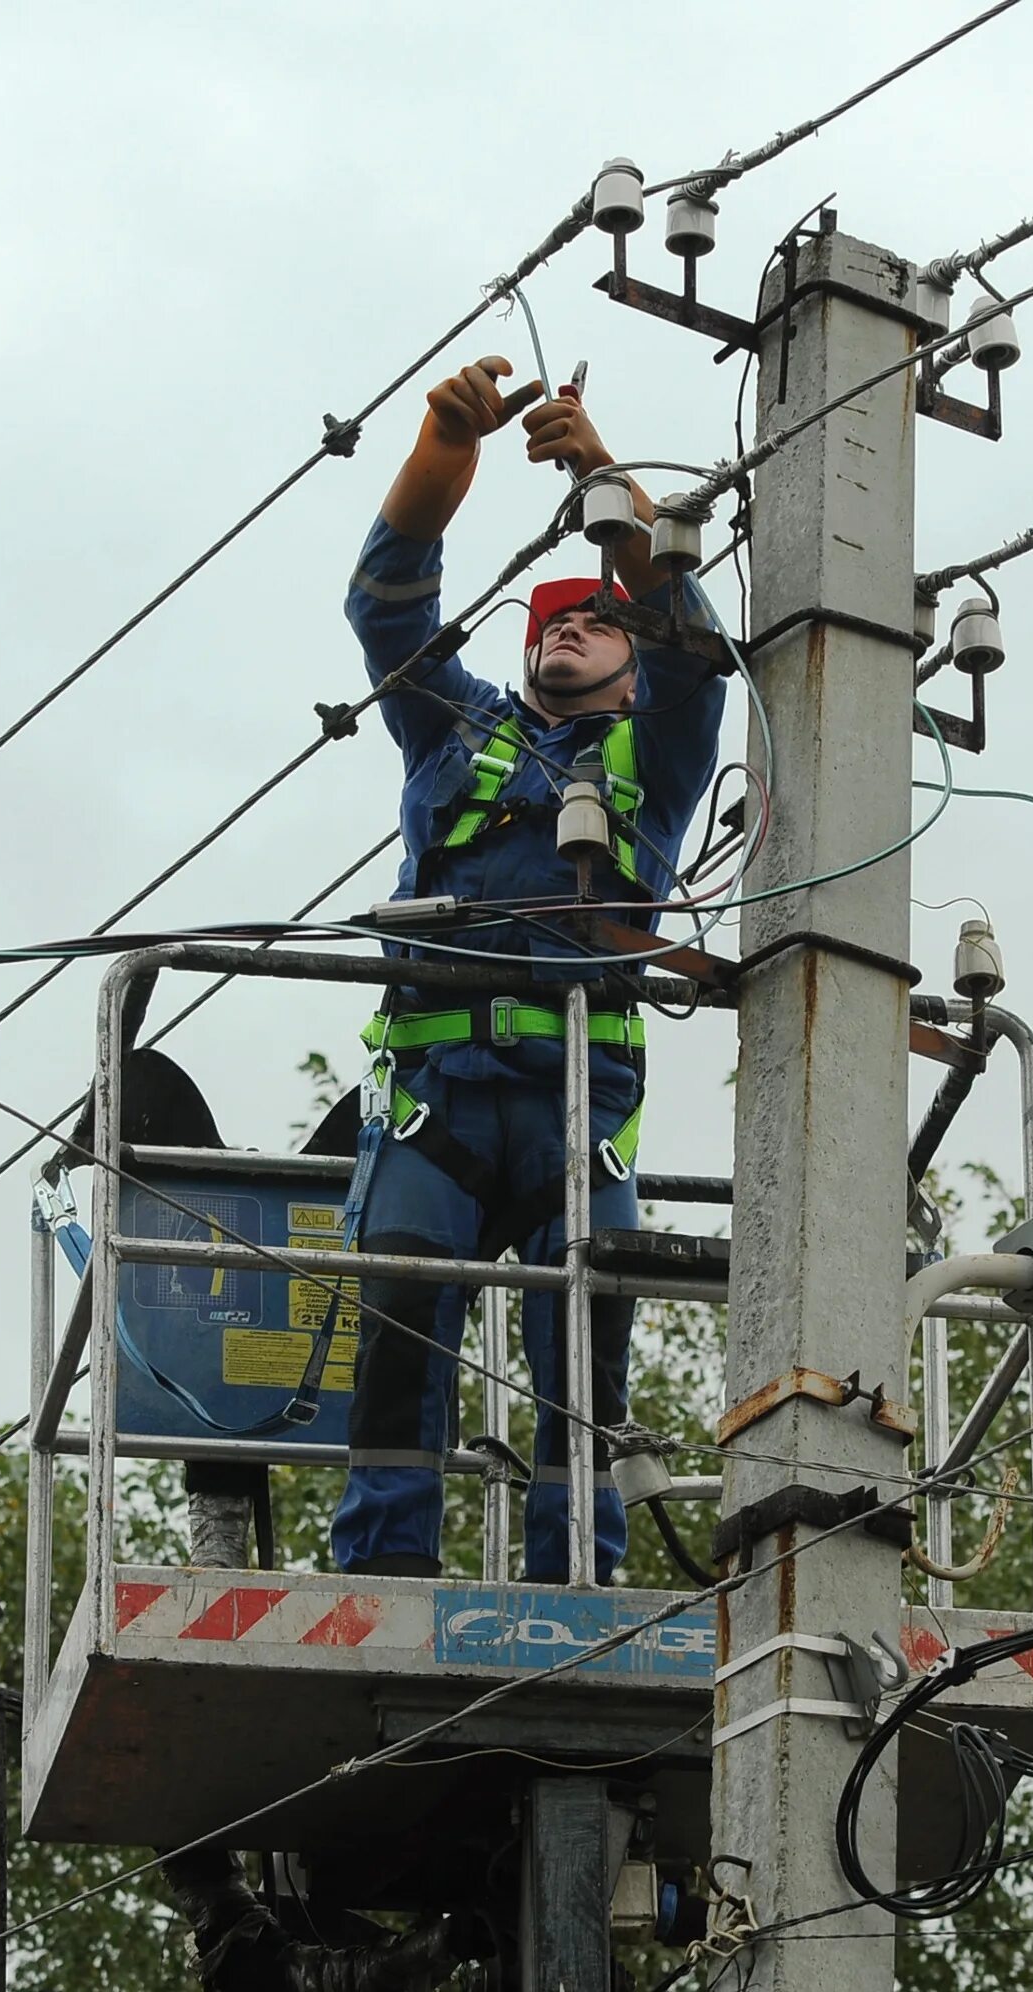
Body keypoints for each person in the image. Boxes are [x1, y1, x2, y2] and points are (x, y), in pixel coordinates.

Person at [333, 355, 727, 1582]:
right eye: (549, 623)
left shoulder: (658, 756)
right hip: (436, 1100)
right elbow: (384, 610)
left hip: (578, 1111)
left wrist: (605, 482)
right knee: (401, 1313)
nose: (566, 627)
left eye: (595, 618)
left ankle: (575, 1582)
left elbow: (697, 649)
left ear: (628, 653)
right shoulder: (453, 728)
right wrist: (441, 454)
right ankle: (384, 1573)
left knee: (583, 1355)